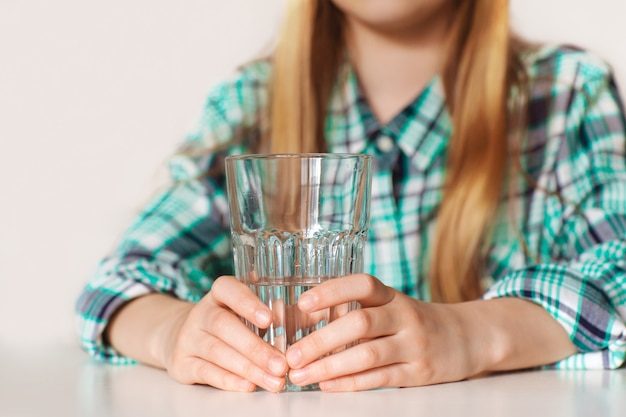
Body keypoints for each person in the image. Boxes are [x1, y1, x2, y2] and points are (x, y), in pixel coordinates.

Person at [76, 0, 626, 393]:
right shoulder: (251, 106)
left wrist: (468, 334)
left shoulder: (566, 95)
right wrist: (176, 333)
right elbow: (118, 282)